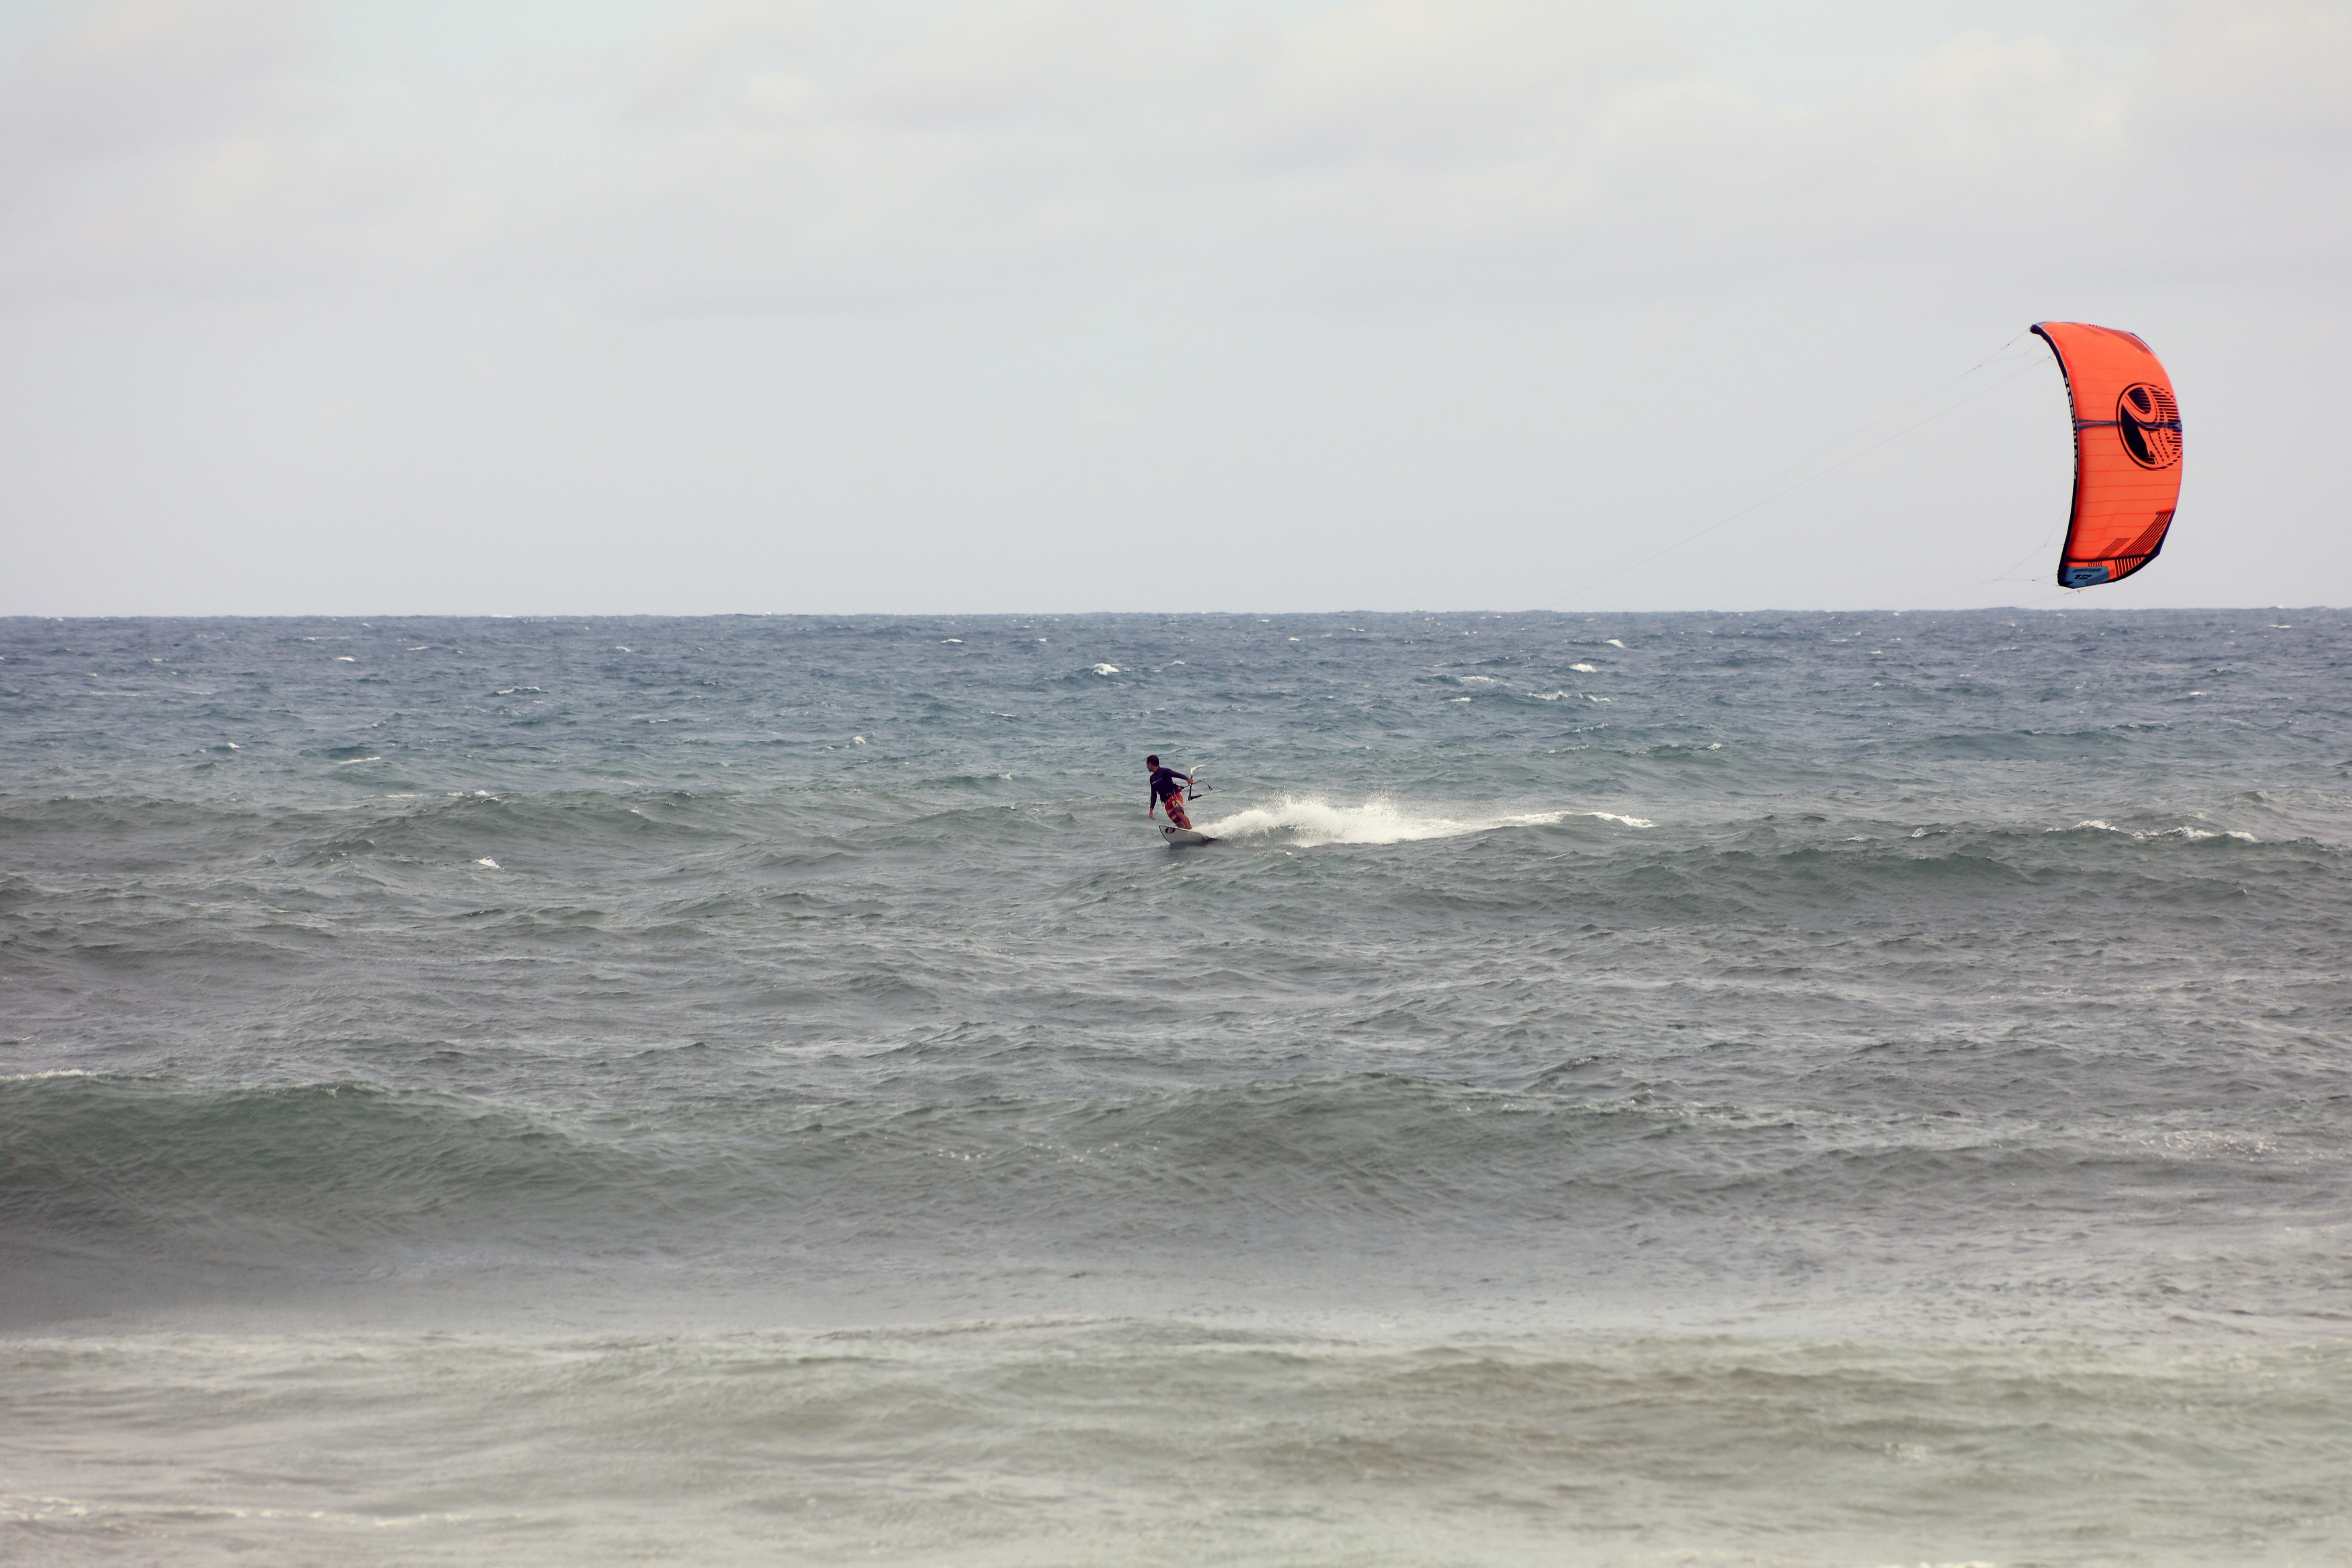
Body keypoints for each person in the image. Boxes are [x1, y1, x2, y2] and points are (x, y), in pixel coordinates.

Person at [1144, 754, 1194, 831]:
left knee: (1179, 813)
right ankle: (1187, 833)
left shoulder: (1164, 771)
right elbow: (1154, 795)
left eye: (1147, 764)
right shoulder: (1152, 779)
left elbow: (1176, 774)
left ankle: (1191, 831)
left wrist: (1187, 779)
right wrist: (1151, 809)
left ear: (1150, 764)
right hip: (1167, 802)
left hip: (1175, 797)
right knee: (1178, 823)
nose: (1147, 766)